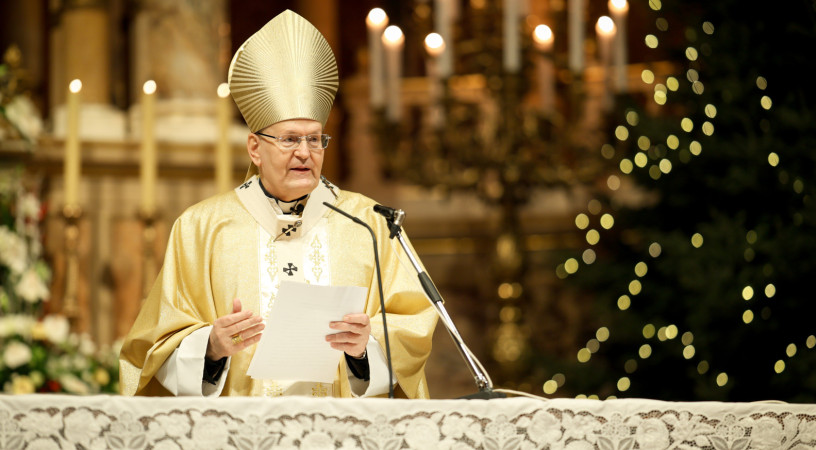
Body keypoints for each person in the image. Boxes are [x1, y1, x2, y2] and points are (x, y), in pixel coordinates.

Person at [119, 10, 438, 398]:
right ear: (255, 148)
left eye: (315, 139)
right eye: (289, 140)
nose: (305, 153)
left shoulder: (369, 223)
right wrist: (212, 348)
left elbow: (413, 328)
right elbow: (152, 350)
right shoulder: (202, 227)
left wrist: (363, 350)